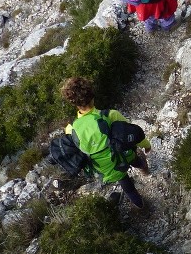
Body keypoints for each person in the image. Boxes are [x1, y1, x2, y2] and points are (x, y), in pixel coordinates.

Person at [61, 77, 151, 209]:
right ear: (92, 96)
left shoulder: (71, 129)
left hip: (105, 169)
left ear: (74, 103)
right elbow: (132, 133)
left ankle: (141, 206)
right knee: (136, 160)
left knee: (127, 185)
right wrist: (146, 145)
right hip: (125, 155)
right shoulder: (111, 115)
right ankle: (144, 169)